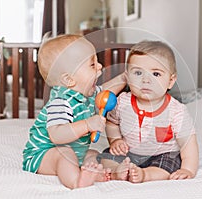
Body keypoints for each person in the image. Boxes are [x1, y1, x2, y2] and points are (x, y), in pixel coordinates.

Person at [22, 34, 126, 189]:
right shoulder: (61, 101)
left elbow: (105, 91)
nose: (100, 66)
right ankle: (76, 182)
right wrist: (87, 125)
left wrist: (124, 78)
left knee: (94, 155)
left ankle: (99, 174)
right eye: (92, 64)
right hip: (43, 155)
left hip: (76, 153)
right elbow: (57, 135)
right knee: (63, 154)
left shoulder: (86, 94)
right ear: (69, 80)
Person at [97, 40, 199, 183]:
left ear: (170, 81)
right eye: (138, 73)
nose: (145, 80)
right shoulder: (122, 102)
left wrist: (188, 169)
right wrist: (116, 140)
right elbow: (112, 123)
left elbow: (188, 143)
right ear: (127, 76)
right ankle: (117, 172)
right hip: (129, 152)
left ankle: (145, 175)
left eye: (156, 74)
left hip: (161, 154)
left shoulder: (176, 111)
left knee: (169, 165)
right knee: (106, 157)